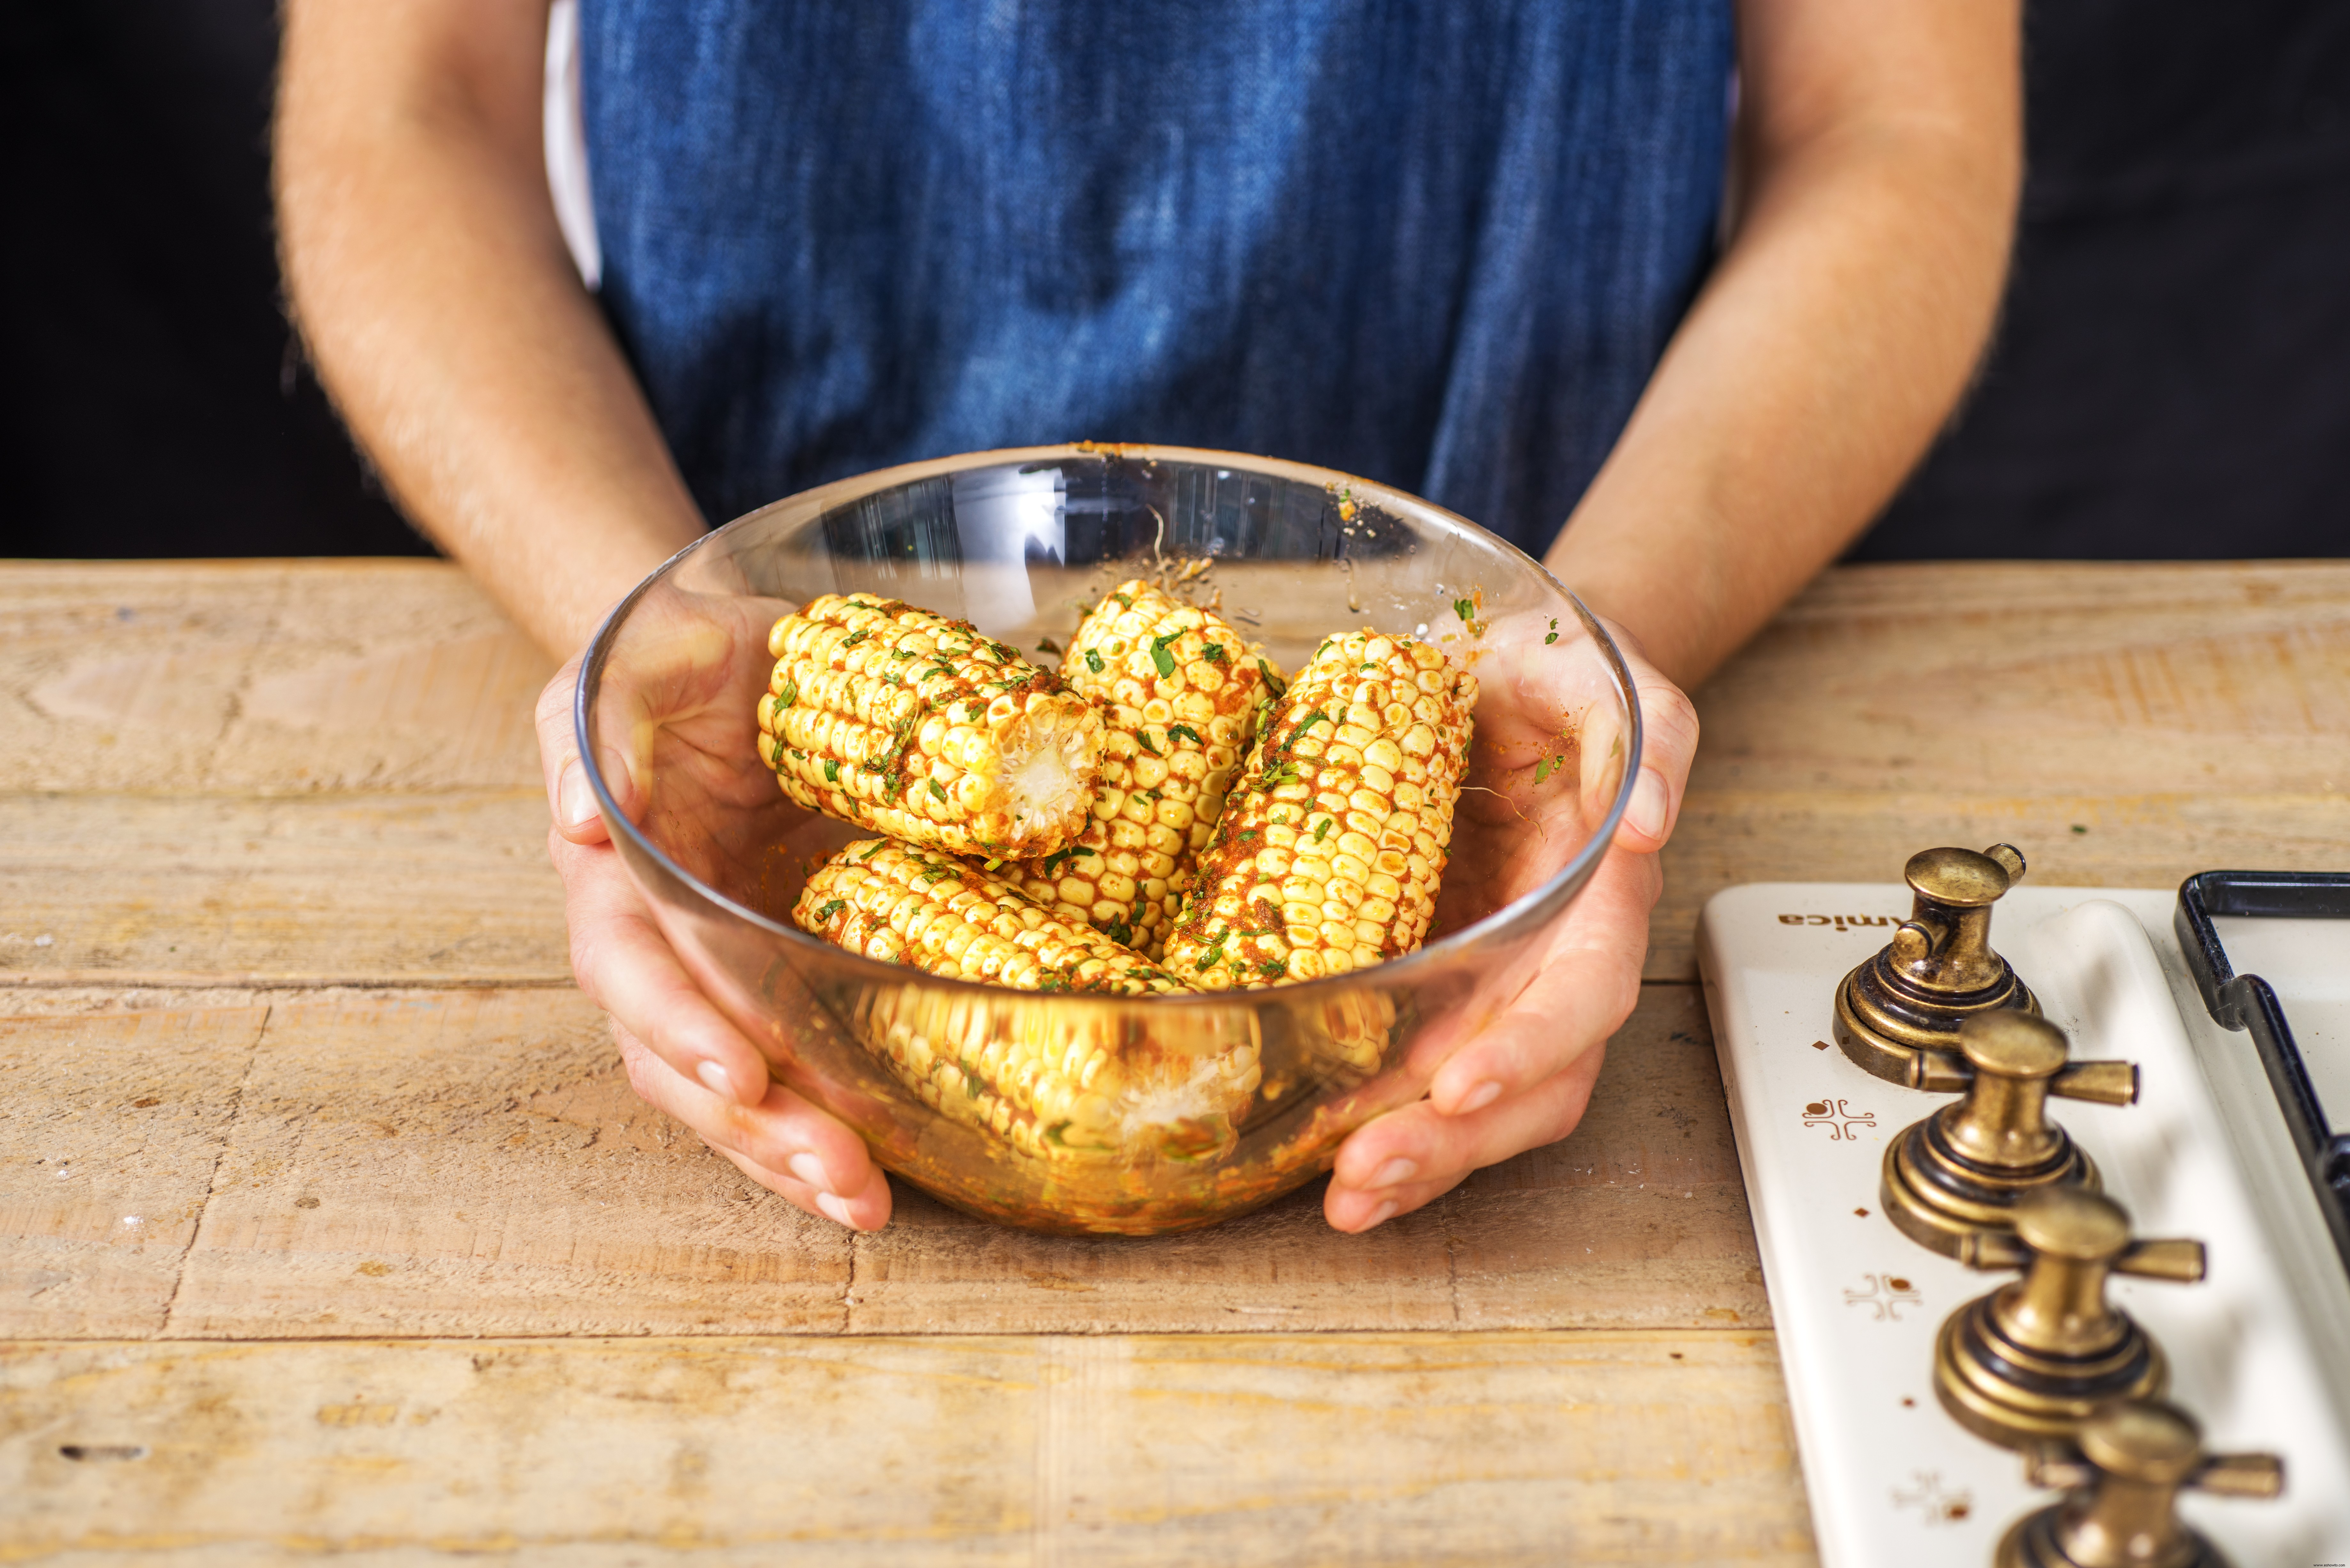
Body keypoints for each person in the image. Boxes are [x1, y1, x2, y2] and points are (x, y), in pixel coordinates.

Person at [276, 0, 2020, 1233]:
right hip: (747, 608)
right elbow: (403, 105)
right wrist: (644, 641)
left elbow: (1894, 124)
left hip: (1569, 529)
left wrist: (1590, 636)